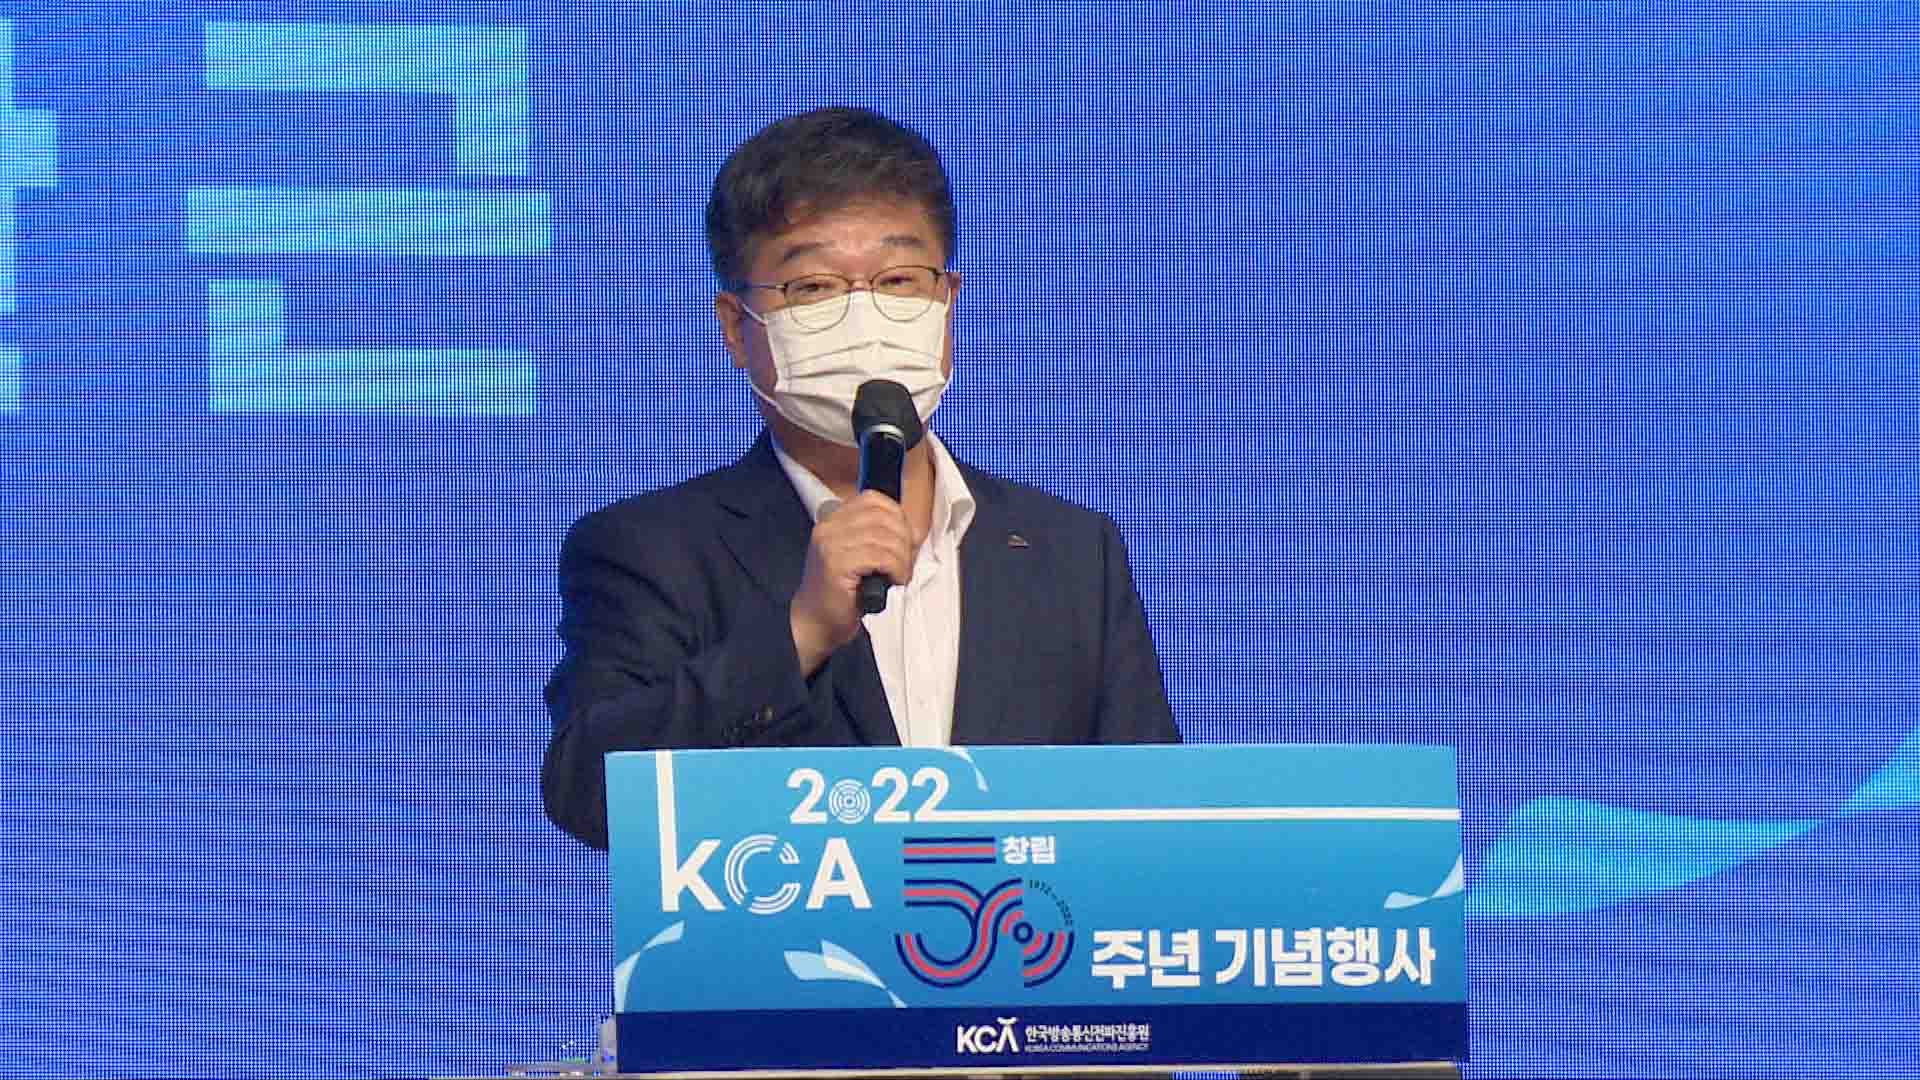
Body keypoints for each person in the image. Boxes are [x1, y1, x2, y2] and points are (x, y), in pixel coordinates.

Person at [541, 106, 1178, 850]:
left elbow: (1156, 823)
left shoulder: (1068, 550)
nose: (864, 317)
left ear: (947, 303)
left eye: (899, 280)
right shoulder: (653, 549)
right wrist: (801, 633)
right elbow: (593, 794)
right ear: (737, 327)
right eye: (813, 287)